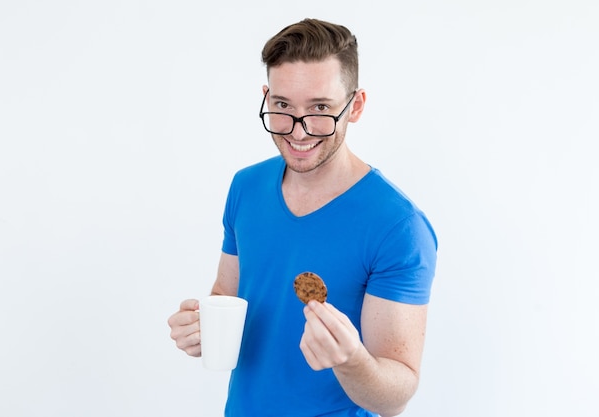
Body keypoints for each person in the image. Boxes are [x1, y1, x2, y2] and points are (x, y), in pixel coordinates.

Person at [168, 18, 437, 417]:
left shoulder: (398, 226)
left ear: (356, 105)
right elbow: (227, 294)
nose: (299, 130)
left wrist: (352, 361)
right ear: (267, 96)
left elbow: (395, 397)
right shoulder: (245, 187)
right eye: (282, 106)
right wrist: (201, 327)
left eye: (320, 108)